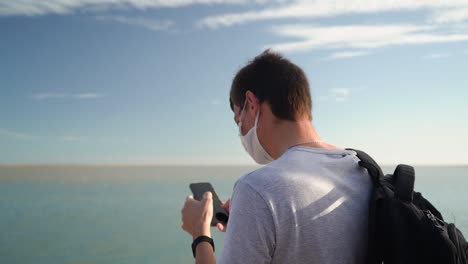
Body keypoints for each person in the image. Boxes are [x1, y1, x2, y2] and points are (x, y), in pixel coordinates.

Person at [181, 50, 372, 264]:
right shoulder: (362, 169)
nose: (241, 132)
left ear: (251, 104)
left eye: (238, 120)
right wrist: (253, 218)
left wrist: (200, 234)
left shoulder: (257, 188)